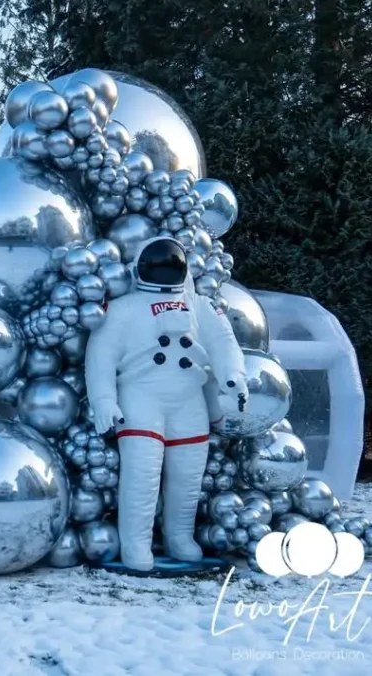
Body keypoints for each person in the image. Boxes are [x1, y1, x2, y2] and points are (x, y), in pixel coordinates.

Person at [85, 237, 247, 571]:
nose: (164, 269)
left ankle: (179, 538)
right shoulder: (124, 307)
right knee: (141, 475)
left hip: (188, 399)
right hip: (140, 397)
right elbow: (101, 354)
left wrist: (232, 375)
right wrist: (104, 399)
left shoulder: (200, 305)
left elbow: (223, 342)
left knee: (188, 477)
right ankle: (136, 546)